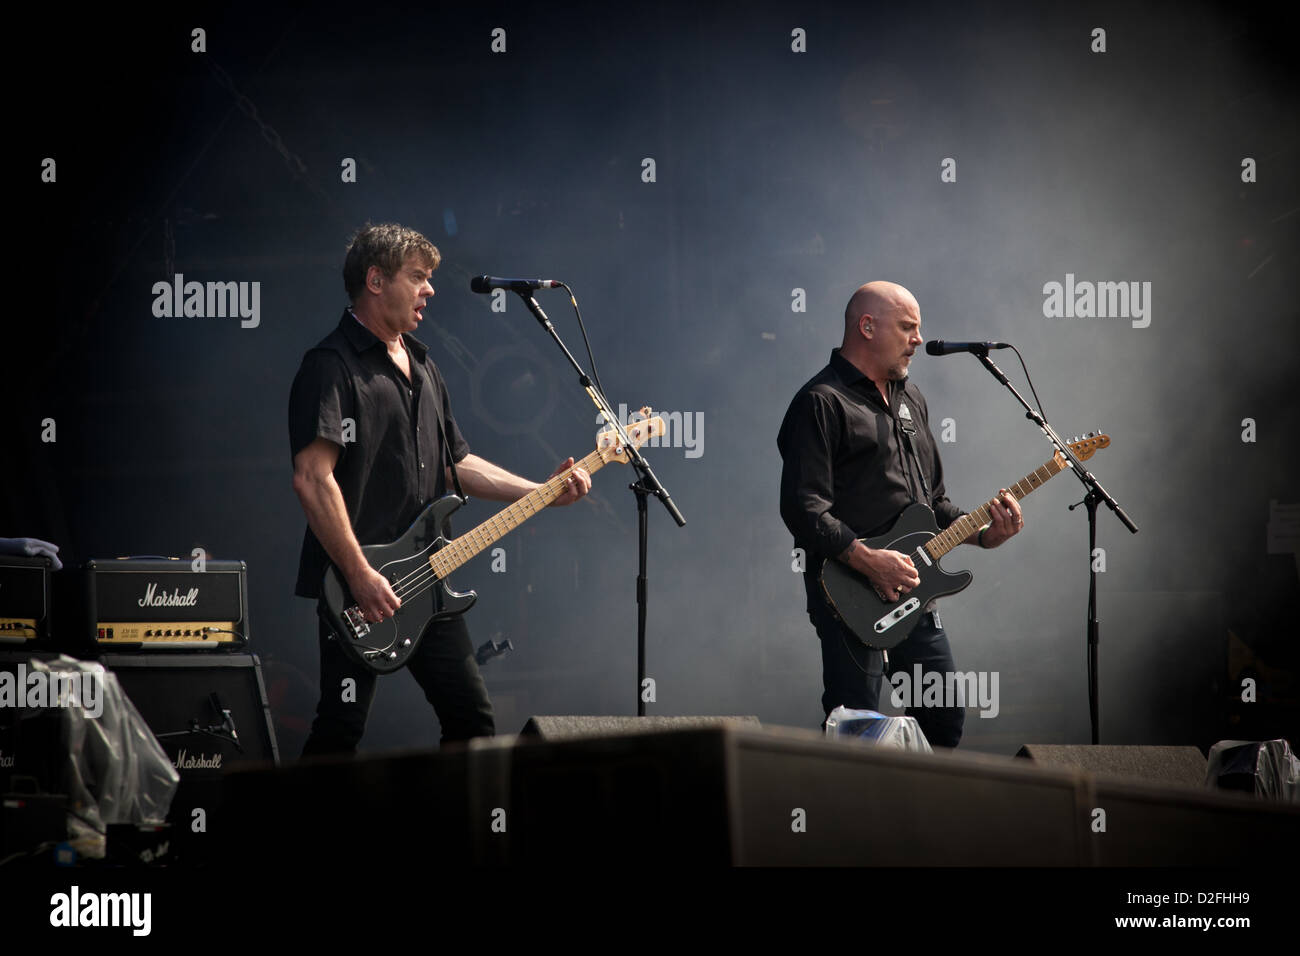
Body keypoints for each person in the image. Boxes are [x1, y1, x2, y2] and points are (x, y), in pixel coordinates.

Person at [289, 222, 591, 755]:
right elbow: (314, 478)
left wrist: (540, 490)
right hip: (356, 590)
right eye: (418, 277)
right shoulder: (331, 366)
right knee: (340, 729)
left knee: (471, 720)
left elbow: (457, 465)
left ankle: (454, 836)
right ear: (376, 280)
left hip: (428, 580)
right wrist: (359, 575)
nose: (430, 289)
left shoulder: (424, 366)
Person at [777, 281, 1023, 747]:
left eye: (918, 329)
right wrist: (868, 559)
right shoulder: (822, 401)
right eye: (908, 327)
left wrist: (985, 534)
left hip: (916, 591)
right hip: (850, 595)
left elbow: (935, 505)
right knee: (857, 728)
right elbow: (802, 506)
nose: (917, 339)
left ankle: (919, 817)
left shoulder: (912, 400)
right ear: (867, 327)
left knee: (943, 719)